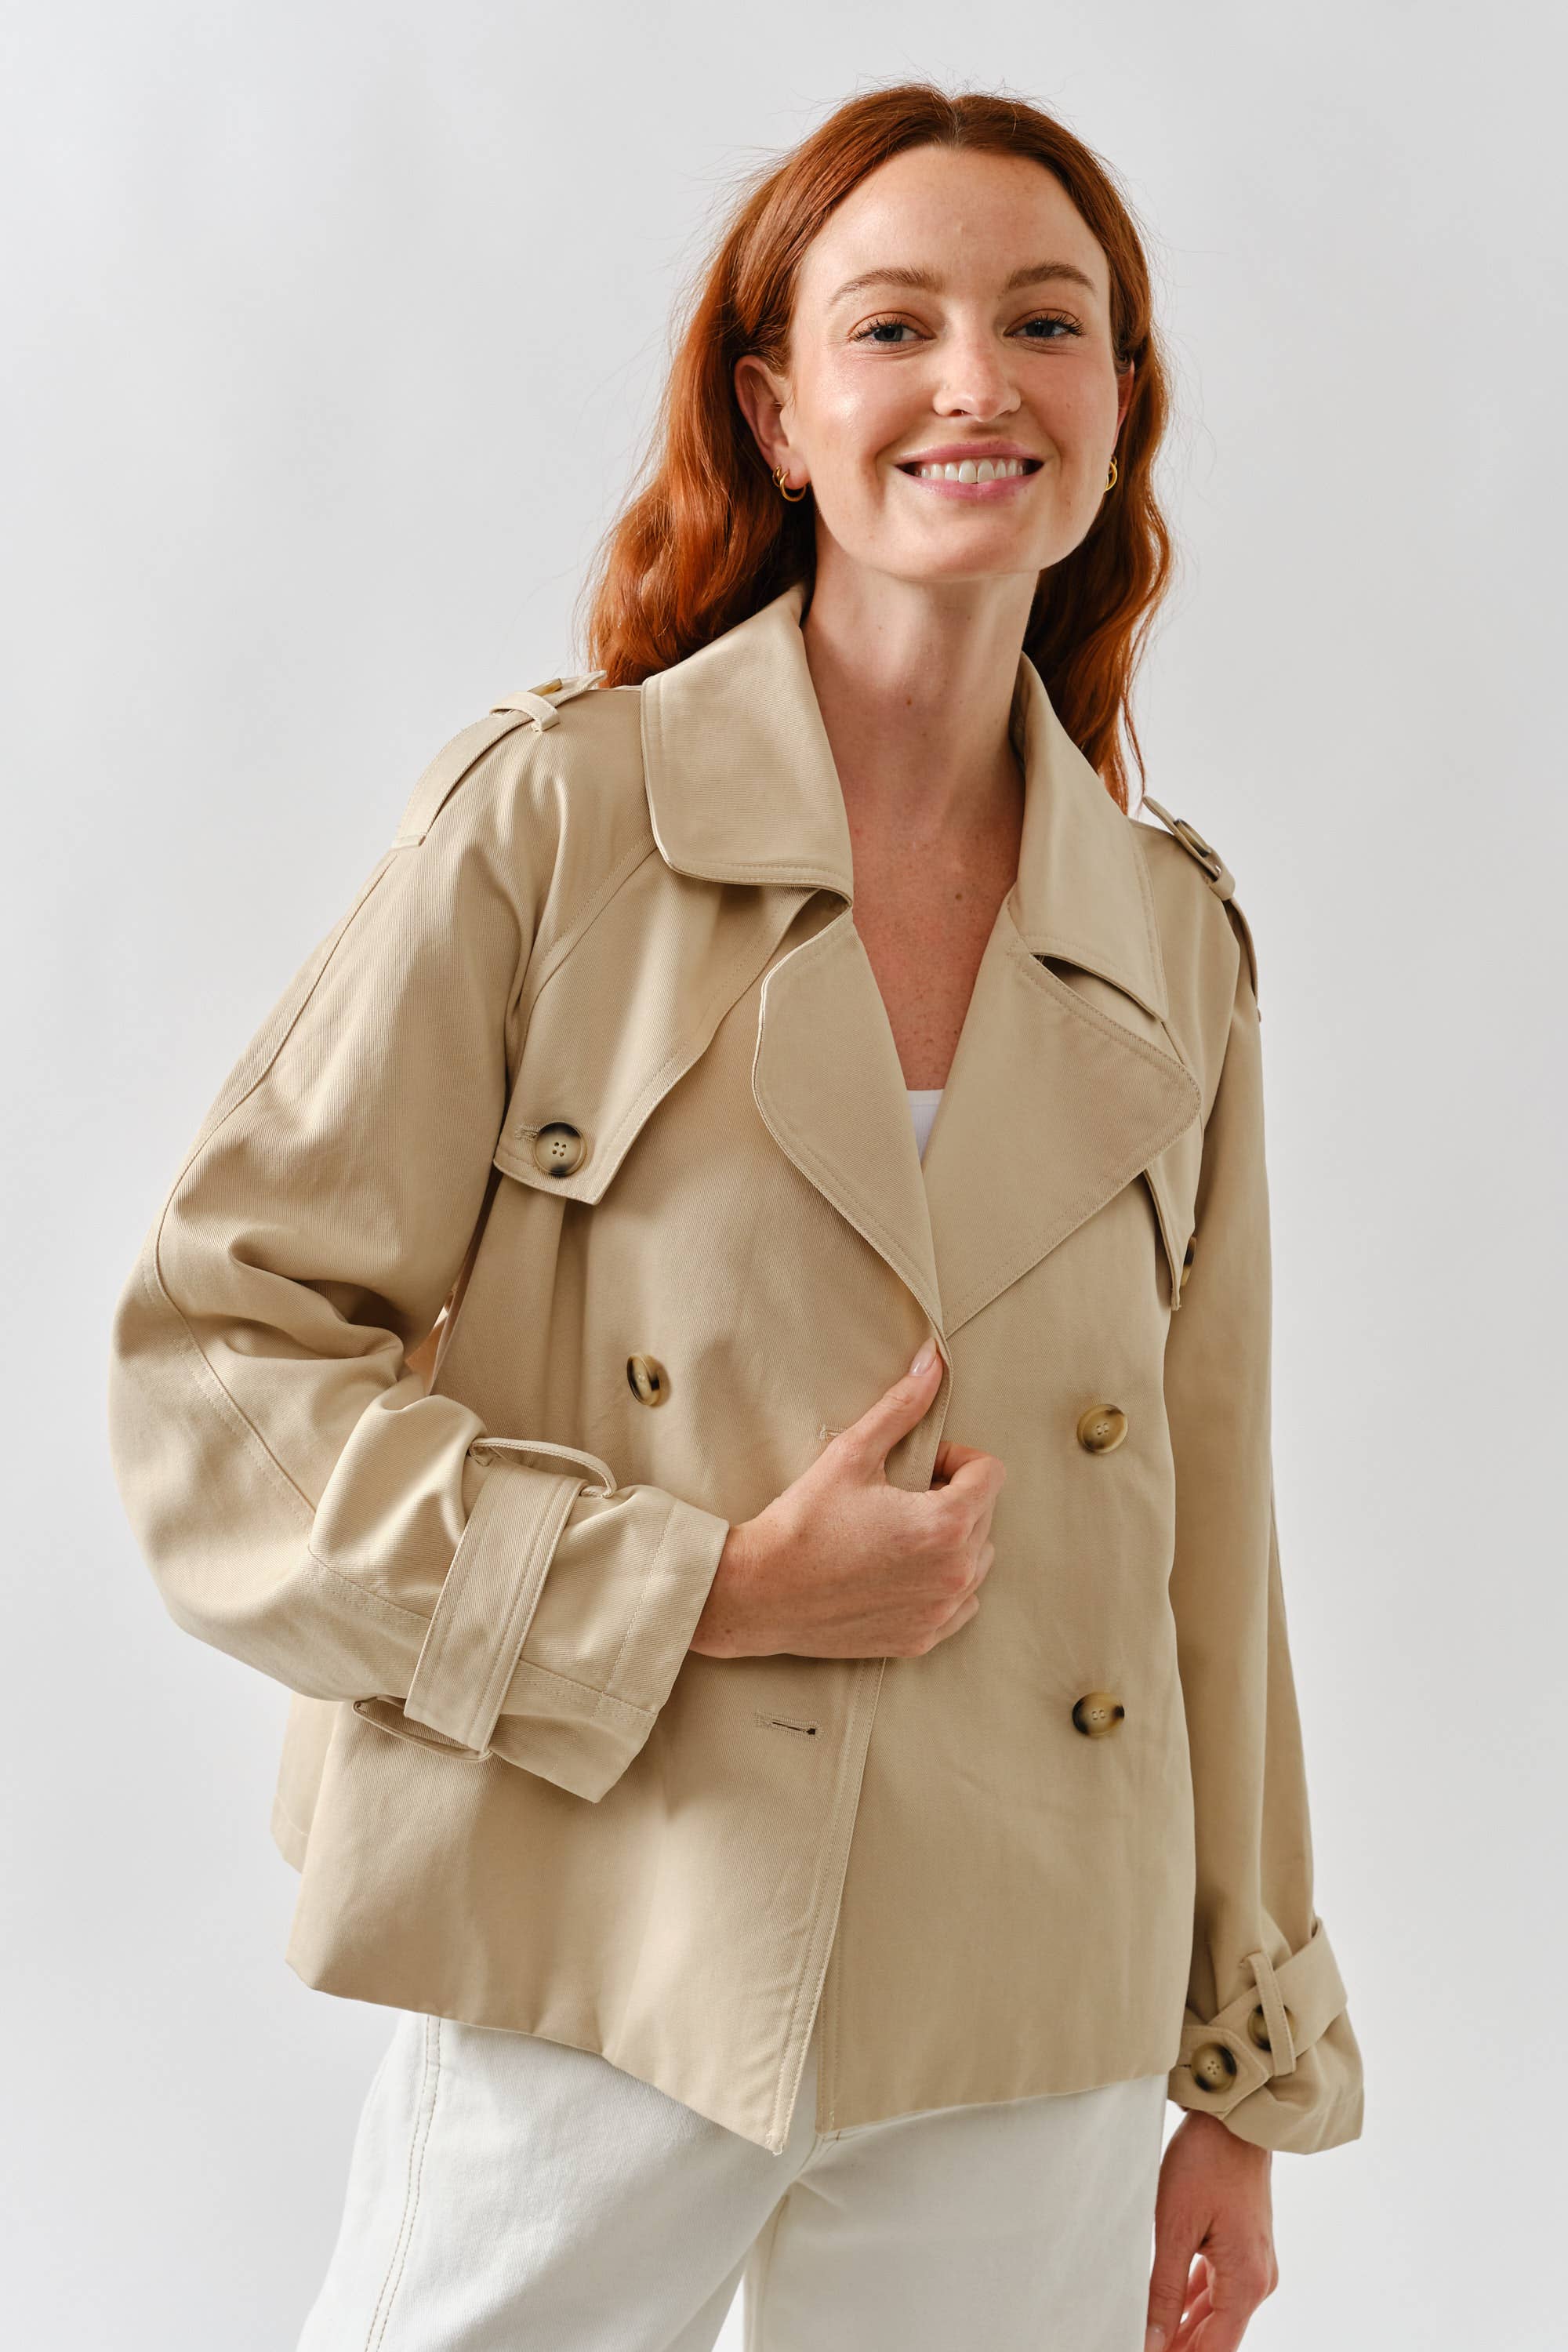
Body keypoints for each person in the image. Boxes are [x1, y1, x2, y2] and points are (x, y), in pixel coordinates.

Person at [106, 79, 1364, 2352]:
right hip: (604, 1947)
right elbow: (218, 1367)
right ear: (781, 412)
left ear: (1116, 406)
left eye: (1048, 326)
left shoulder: (1173, 942)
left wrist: (1240, 2081)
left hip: (1032, 2010)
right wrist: (691, 1594)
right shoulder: (559, 834)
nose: (980, 382)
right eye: (900, 326)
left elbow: (1208, 1542)